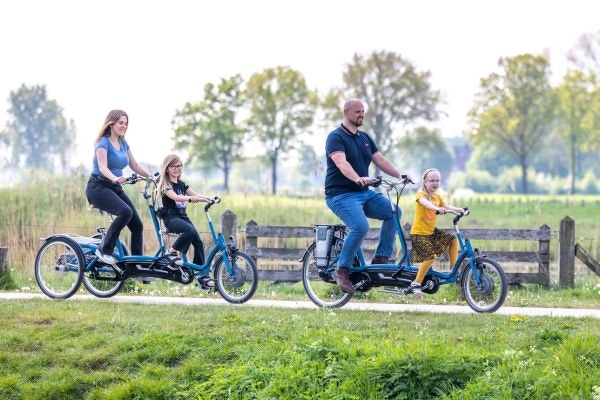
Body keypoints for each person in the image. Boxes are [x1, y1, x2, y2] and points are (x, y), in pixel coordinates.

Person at [324, 98, 410, 294]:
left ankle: (381, 258)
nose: (361, 114)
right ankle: (342, 270)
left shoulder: (364, 137)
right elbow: (341, 163)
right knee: (360, 226)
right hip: (340, 195)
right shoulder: (335, 137)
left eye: (363, 111)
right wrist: (357, 178)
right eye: (357, 112)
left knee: (394, 212)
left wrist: (399, 175)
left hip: (364, 194)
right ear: (346, 112)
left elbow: (379, 158)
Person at [85, 109, 155, 266]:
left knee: (137, 225)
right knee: (125, 212)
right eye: (120, 123)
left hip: (114, 187)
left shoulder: (123, 143)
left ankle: (137, 266)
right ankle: (104, 250)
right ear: (111, 124)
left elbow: (134, 165)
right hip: (98, 186)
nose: (123, 126)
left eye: (126, 123)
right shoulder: (102, 142)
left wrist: (151, 176)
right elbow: (103, 167)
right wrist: (115, 178)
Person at [405, 168, 466, 298]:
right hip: (419, 234)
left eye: (437, 180)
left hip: (431, 233)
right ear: (425, 182)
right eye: (431, 180)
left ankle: (453, 271)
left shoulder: (437, 196)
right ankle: (416, 283)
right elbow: (426, 204)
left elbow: (446, 207)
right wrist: (437, 209)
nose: (435, 183)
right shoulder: (420, 195)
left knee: (453, 240)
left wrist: (459, 209)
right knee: (430, 257)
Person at [157, 154, 215, 287]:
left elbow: (195, 195)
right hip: (171, 218)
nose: (177, 169)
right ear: (167, 168)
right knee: (189, 230)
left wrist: (208, 198)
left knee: (198, 242)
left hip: (183, 217)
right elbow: (176, 197)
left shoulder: (182, 184)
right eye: (173, 166)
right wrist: (188, 199)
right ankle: (171, 252)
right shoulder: (166, 185)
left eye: (179, 166)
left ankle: (201, 275)